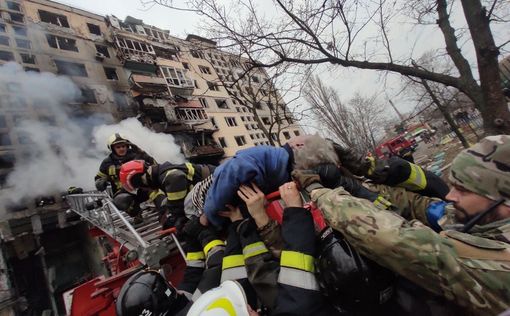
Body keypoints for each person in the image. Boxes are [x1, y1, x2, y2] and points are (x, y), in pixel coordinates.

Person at [292, 135, 510, 314]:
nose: (450, 196)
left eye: (462, 190)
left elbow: (393, 238)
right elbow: (425, 206)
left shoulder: (497, 264)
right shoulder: (484, 219)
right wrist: (368, 169)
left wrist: (319, 192)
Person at [203, 134, 339, 227]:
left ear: (298, 145)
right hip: (207, 205)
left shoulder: (277, 162)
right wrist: (210, 216)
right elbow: (232, 171)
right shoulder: (273, 160)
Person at [119, 160, 215, 229]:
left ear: (140, 181)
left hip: (215, 183)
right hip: (211, 187)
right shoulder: (160, 175)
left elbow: (176, 179)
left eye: (139, 187)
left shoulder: (168, 176)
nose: (144, 189)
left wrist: (174, 215)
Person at [94, 133, 163, 222]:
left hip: (142, 187)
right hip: (123, 192)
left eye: (123, 146)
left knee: (155, 189)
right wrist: (100, 182)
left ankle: (163, 210)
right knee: (120, 200)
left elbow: (155, 165)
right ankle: (136, 213)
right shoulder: (107, 163)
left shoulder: (137, 155)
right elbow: (99, 177)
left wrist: (142, 153)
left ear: (127, 146)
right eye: (118, 147)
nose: (121, 149)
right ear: (112, 149)